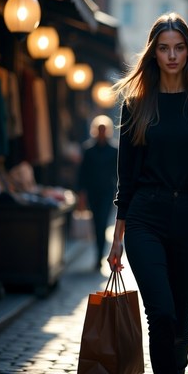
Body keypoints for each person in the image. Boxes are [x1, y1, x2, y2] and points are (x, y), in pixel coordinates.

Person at [107, 12, 188, 374]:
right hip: (146, 217)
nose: (172, 55)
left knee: (181, 319)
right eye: (164, 48)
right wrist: (118, 238)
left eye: (178, 48)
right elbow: (125, 179)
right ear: (154, 53)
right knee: (160, 313)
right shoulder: (136, 105)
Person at [77, 115, 117, 270]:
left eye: (104, 129)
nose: (101, 132)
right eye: (99, 129)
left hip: (107, 192)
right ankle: (98, 255)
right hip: (93, 192)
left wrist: (118, 193)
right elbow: (82, 174)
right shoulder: (88, 150)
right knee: (96, 224)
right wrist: (81, 194)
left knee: (102, 222)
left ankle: (100, 255)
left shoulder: (114, 150)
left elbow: (118, 174)